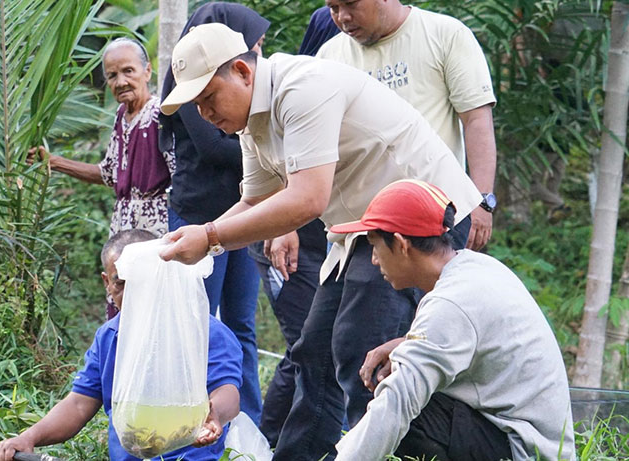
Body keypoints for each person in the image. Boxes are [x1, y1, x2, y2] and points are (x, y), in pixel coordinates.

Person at [158, 23, 483, 460]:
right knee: (313, 351)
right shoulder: (252, 121)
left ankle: (392, 452)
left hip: (420, 218)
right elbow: (255, 200)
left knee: (362, 351)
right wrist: (200, 238)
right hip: (360, 230)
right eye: (196, 105)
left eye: (209, 97)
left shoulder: (301, 88)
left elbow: (307, 199)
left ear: (242, 71)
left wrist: (210, 236)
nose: (204, 113)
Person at [329, 179, 575, 461]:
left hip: (524, 450)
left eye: (375, 246)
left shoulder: (450, 303)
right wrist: (405, 344)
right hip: (526, 437)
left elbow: (398, 402)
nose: (374, 259)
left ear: (401, 244)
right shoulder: (475, 267)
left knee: (401, 407)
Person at [0, 229, 242, 461]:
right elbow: (78, 404)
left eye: (142, 282)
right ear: (107, 283)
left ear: (161, 276)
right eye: (121, 284)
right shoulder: (109, 336)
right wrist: (28, 438)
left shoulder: (204, 332)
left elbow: (227, 392)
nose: (133, 294)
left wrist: (214, 415)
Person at [158, 2, 266, 425]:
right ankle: (192, 418)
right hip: (198, 218)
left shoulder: (242, 85)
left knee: (242, 324)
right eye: (251, 43)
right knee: (198, 324)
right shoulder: (195, 86)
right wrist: (268, 152)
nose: (257, 53)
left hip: (243, 218)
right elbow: (214, 148)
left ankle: (247, 422)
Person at [317, 0, 498, 251]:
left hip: (433, 221)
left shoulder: (444, 34)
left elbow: (476, 119)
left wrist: (482, 201)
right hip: (355, 228)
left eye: (351, 4)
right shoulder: (329, 57)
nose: (343, 17)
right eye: (334, 8)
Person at [29, 37, 175, 319]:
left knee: (153, 306)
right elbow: (109, 173)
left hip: (155, 228)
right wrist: (54, 162)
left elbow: (180, 175)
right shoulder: (122, 116)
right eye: (112, 75)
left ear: (147, 71)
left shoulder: (160, 115)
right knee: (122, 302)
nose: (121, 82)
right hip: (122, 227)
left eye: (128, 71)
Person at [251, 6, 336, 447]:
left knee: (322, 345)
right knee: (305, 345)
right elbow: (264, 189)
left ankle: (299, 441)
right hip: (285, 239)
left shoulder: (332, 97)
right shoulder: (288, 97)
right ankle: (270, 441)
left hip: (332, 239)